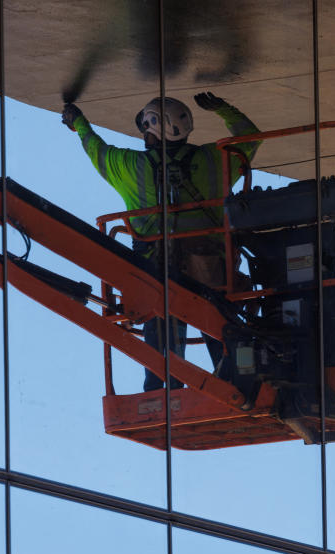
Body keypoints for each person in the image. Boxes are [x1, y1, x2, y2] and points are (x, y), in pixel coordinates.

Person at [62, 93, 261, 391]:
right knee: (220, 325)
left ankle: (160, 391)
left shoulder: (130, 166)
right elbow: (249, 136)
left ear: (153, 130)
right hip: (211, 273)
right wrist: (223, 108)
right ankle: (238, 383)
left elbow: (96, 150)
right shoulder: (214, 159)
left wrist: (78, 123)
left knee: (161, 326)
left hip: (156, 274)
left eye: (145, 129)